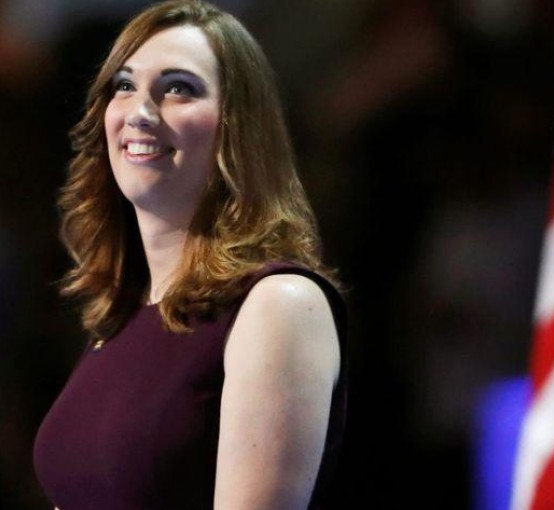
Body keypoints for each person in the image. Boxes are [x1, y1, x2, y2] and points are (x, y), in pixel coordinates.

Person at [33, 1, 346, 509]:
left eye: (178, 88)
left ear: (238, 127)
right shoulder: (122, 311)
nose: (139, 112)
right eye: (125, 86)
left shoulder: (279, 305)